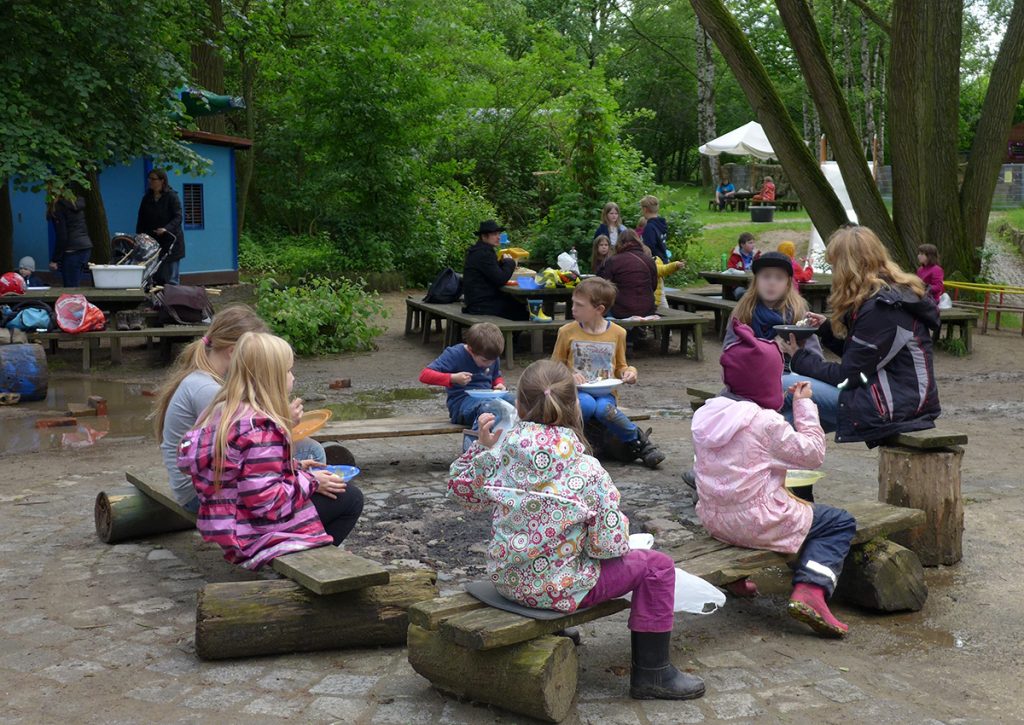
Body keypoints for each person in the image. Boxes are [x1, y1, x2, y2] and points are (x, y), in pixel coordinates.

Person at [449, 359, 705, 700]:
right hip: (557, 589)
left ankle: (561, 625)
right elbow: (609, 546)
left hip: (507, 580)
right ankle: (652, 673)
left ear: (518, 404)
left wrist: (480, 446)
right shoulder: (586, 468)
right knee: (657, 566)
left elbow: (462, 491)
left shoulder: (500, 452)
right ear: (575, 408)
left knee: (559, 550)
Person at [692, 320, 857, 637]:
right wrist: (805, 405)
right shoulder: (765, 422)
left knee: (758, 502)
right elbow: (812, 455)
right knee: (838, 521)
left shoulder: (707, 413)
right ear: (767, 382)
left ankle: (735, 578)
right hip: (756, 521)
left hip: (714, 518)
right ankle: (812, 587)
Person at [177, 332, 364, 567]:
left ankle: (312, 549)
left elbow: (243, 470)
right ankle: (313, 561)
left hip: (224, 519)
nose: (293, 377)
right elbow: (266, 504)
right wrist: (312, 482)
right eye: (288, 371)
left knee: (326, 488)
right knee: (351, 499)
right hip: (250, 532)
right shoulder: (262, 430)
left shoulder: (222, 410)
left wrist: (294, 467)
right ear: (272, 378)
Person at [780, 225, 941, 447]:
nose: (834, 272)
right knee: (787, 420)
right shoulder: (885, 296)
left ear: (849, 267)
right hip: (892, 397)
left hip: (895, 405)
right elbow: (864, 360)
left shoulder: (882, 308)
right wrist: (826, 330)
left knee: (784, 384)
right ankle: (780, 480)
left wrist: (799, 358)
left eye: (835, 265)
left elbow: (848, 375)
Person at [154, 305, 326, 512]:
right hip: (200, 494)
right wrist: (284, 423)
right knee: (312, 450)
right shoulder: (207, 390)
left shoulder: (204, 379)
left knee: (304, 451)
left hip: (199, 482)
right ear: (234, 352)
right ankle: (295, 520)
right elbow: (248, 450)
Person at [552, 277, 665, 468]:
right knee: (586, 405)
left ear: (599, 310)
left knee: (605, 409)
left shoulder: (618, 333)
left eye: (579, 305)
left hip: (606, 392)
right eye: (573, 303)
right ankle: (574, 447)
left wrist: (630, 372)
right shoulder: (566, 332)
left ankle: (640, 443)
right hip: (577, 392)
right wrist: (569, 376)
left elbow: (621, 366)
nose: (573, 309)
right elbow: (554, 366)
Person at [418, 322, 514, 426]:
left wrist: (499, 385)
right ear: (470, 350)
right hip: (462, 404)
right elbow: (425, 375)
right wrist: (453, 378)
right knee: (489, 409)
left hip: (490, 399)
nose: (489, 364)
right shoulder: (455, 354)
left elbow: (496, 376)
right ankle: (481, 440)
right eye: (485, 361)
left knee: (518, 401)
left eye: (493, 360)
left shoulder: (491, 356)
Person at [462, 219, 527, 321]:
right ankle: (509, 337)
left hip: (475, 301)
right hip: (480, 305)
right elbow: (500, 279)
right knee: (521, 311)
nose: (498, 237)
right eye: (494, 234)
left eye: (499, 233)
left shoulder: (479, 250)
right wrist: (510, 262)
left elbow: (492, 272)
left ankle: (509, 336)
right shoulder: (484, 253)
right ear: (484, 236)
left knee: (516, 304)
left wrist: (502, 263)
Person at [136, 168, 185, 286]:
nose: (150, 182)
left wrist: (166, 229)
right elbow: (141, 218)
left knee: (171, 277)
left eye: (153, 179)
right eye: (149, 179)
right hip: (153, 242)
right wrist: (140, 236)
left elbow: (178, 217)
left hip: (171, 241)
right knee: (155, 275)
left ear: (162, 181)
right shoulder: (147, 198)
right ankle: (158, 301)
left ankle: (173, 300)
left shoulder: (172, 196)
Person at [599, 230, 658, 319]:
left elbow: (606, 288)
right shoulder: (649, 260)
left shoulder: (613, 261)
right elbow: (653, 285)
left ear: (619, 242)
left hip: (620, 310)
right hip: (647, 309)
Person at [47, 194, 93, 287]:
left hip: (72, 251)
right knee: (75, 284)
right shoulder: (76, 202)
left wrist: (55, 259)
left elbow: (62, 236)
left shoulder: (58, 207)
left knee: (70, 288)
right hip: (85, 248)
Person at [724, 232, 760, 300]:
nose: (753, 245)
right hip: (739, 285)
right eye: (750, 243)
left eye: (753, 243)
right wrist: (741, 273)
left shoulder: (756, 256)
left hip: (754, 284)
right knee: (742, 294)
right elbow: (730, 269)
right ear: (742, 244)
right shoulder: (735, 256)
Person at [639, 196, 669, 262]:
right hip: (663, 260)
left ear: (645, 209)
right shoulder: (661, 224)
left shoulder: (649, 227)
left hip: (655, 263)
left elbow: (648, 249)